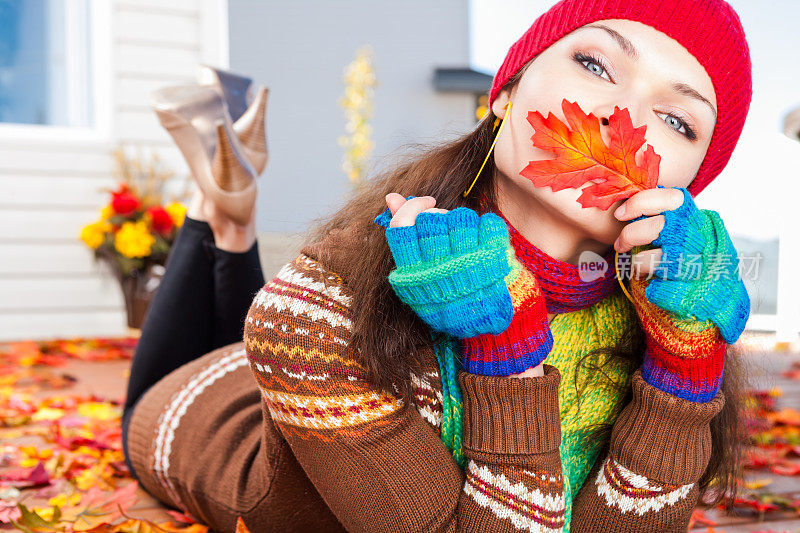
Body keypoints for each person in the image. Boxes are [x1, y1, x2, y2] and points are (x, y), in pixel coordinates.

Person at [121, 0, 754, 531]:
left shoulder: (665, 316)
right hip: (202, 421)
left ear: (691, 181)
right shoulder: (320, 302)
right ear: (502, 96)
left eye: (677, 119)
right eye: (594, 64)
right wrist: (503, 340)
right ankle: (223, 217)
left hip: (294, 372)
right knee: (181, 378)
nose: (625, 119)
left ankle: (229, 211)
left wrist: (685, 362)